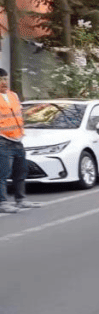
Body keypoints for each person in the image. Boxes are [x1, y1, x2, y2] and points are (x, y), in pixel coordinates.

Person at [0, 68, 39, 213]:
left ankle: (21, 200)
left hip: (17, 139)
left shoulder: (13, 96)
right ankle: (2, 202)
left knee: (21, 171)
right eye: (0, 80)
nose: (4, 82)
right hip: (2, 141)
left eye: (5, 79)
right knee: (2, 174)